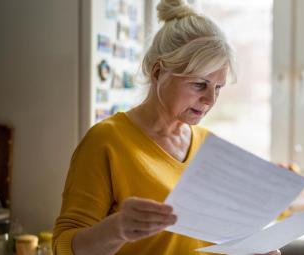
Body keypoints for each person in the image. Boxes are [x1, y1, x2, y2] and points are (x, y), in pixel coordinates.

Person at [53, 0, 280, 254]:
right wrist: (116, 229)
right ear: (158, 72)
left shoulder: (209, 145)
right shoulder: (107, 141)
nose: (210, 100)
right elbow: (64, 246)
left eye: (218, 88)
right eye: (199, 84)